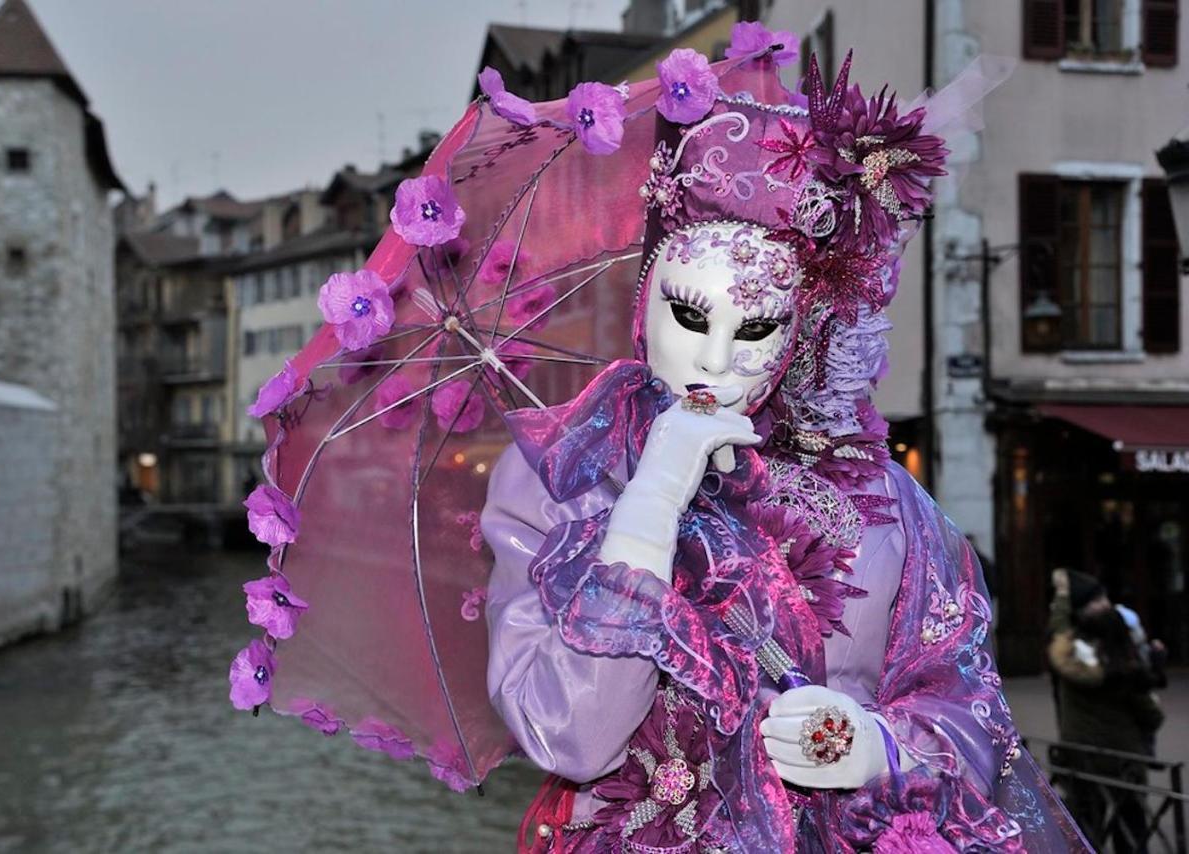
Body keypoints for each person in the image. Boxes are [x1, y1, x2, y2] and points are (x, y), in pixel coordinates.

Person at [481, 48, 1088, 851]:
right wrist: (652, 502)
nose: (714, 359)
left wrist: (872, 747)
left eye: (756, 326)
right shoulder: (561, 477)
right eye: (691, 317)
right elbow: (573, 739)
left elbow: (967, 704)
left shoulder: (880, 501)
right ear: (644, 298)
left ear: (799, 331)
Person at [1047, 569, 1165, 852]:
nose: (1106, 604)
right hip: (1122, 758)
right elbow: (1151, 714)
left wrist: (1061, 596)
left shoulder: (1068, 652)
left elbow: (1058, 629)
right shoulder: (1124, 666)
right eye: (1099, 600)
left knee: (1087, 821)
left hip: (1079, 752)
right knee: (1131, 822)